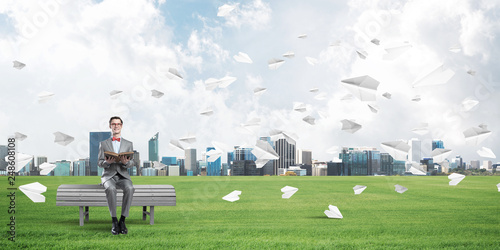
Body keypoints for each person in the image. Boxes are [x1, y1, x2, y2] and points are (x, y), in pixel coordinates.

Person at [98, 116, 135, 235]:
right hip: (108, 175)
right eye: (113, 124)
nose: (116, 126)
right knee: (110, 188)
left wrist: (126, 163)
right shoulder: (103, 144)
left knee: (130, 188)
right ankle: (114, 221)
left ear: (121, 126)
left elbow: (132, 162)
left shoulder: (129, 144)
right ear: (110, 126)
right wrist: (106, 163)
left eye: (118, 124)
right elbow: (99, 162)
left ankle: (122, 220)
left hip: (123, 175)